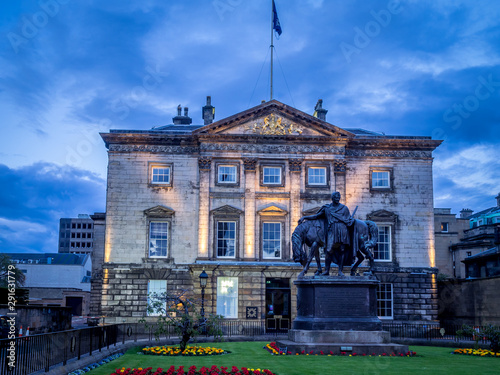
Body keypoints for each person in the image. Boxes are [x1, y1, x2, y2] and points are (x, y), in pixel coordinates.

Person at [298, 191, 354, 275]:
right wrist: (305, 217)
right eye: (335, 197)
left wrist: (351, 222)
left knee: (342, 250)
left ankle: (340, 270)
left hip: (342, 230)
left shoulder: (344, 208)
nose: (337, 199)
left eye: (339, 197)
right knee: (329, 250)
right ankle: (327, 270)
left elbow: (349, 219)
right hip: (332, 230)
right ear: (332, 198)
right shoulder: (327, 208)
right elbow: (316, 216)